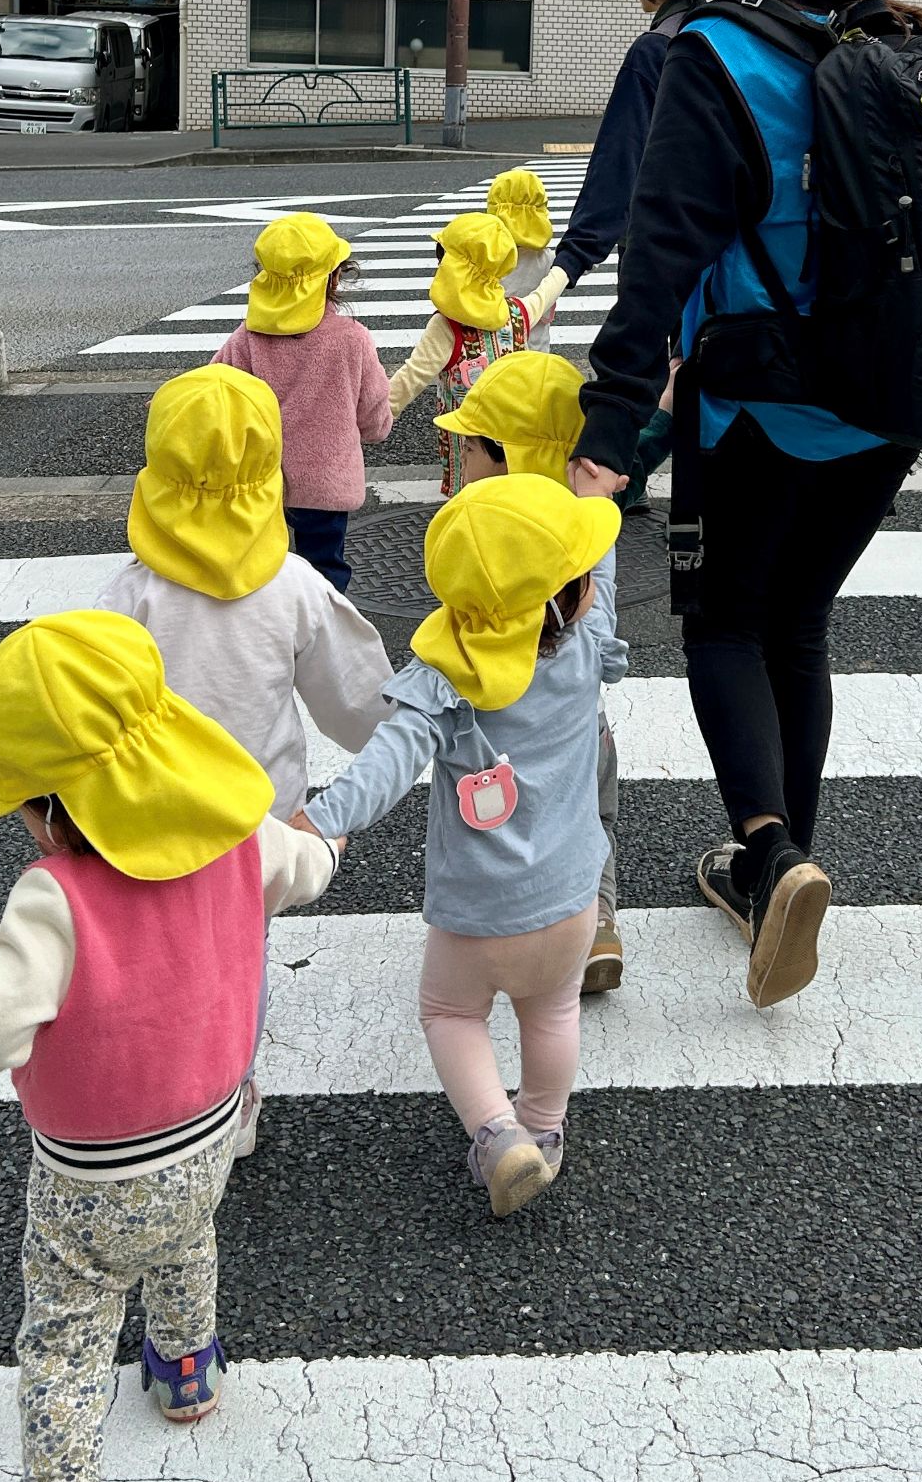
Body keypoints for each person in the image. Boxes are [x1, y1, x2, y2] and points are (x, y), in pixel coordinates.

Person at [568, 0, 922, 1010]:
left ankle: (771, 853)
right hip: (885, 402)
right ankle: (781, 863)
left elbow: (656, 262)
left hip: (753, 408)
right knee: (802, 624)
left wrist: (604, 438)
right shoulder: (886, 29)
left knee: (725, 624)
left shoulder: (711, 53)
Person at [0, 609, 341, 1482]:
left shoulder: (54, 901)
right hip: (206, 1135)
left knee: (65, 1339)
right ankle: (188, 1370)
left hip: (88, 1176)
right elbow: (308, 867)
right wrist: (318, 840)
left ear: (56, 806)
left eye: (26, 805)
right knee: (187, 1240)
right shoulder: (239, 837)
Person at [298, 474, 626, 1217]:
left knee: (450, 1015)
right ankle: (543, 1127)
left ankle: (496, 1133)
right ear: (567, 593)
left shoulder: (444, 680)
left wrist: (322, 821)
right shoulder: (583, 647)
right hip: (573, 893)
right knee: (552, 1014)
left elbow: (384, 765)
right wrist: (595, 494)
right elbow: (596, 571)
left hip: (478, 912)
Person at [98, 366, 393, 1154]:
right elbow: (359, 701)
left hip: (151, 820)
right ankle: (227, 1095)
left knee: (161, 950)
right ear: (270, 474)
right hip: (257, 821)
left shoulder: (133, 594)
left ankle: (158, 1077)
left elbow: (94, 709)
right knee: (240, 959)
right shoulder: (293, 587)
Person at [434, 351, 625, 995]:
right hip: (578, 732)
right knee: (589, 819)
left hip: (495, 736)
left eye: (473, 450)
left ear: (507, 458)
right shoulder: (582, 538)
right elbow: (603, 624)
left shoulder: (480, 541)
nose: (463, 464)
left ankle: (500, 927)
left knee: (491, 822)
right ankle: (593, 920)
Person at [554, 0, 712, 507]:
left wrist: (573, 258)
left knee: (648, 357)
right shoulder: (736, 29)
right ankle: (638, 466)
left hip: (664, 240)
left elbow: (621, 162)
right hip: (741, 241)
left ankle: (624, 466)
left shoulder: (659, 49)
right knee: (687, 357)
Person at [213, 213, 393, 589]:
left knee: (265, 564)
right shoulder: (352, 339)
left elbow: (216, 386)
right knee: (325, 567)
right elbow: (374, 414)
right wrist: (375, 429)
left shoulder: (249, 337)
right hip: (326, 483)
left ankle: (275, 624)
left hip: (261, 479)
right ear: (336, 276)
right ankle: (326, 631)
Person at [385, 210, 568, 493]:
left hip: (466, 445)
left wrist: (378, 414)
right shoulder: (517, 313)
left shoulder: (446, 326)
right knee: (512, 491)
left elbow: (412, 376)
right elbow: (545, 292)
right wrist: (567, 266)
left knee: (467, 495)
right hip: (513, 436)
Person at [488, 168, 559, 350]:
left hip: (493, 351)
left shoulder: (486, 256)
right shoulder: (548, 260)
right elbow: (584, 263)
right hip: (535, 353)